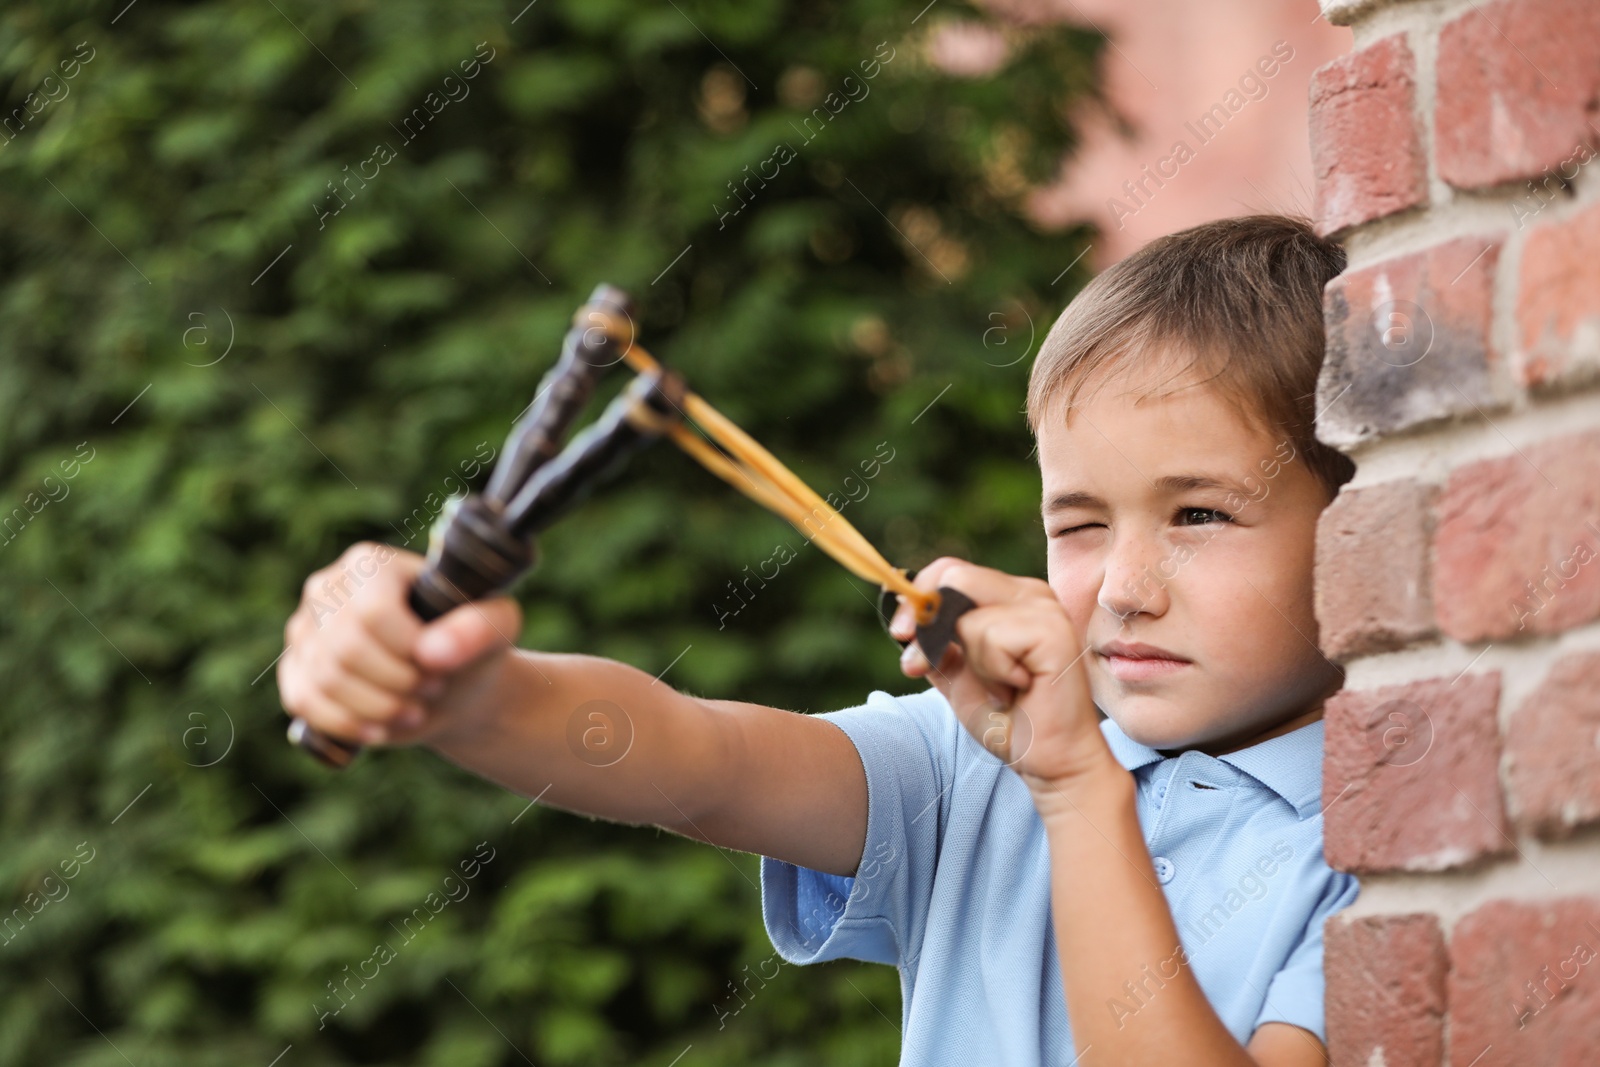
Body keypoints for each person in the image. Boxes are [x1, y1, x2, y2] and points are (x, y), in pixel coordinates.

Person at [277, 213, 1359, 1066]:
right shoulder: (970, 757)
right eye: (1078, 522)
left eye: (1200, 515)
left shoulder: (1378, 850)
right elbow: (698, 760)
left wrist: (1078, 790)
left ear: (1368, 525)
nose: (1123, 587)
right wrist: (469, 695)